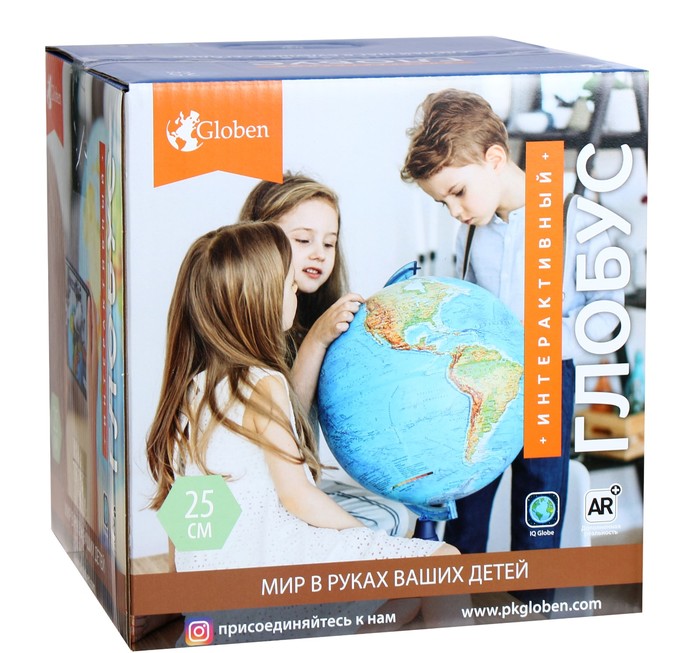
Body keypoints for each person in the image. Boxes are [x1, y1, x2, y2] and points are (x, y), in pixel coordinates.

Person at [146, 222, 457, 570]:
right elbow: (297, 495)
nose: (296, 292)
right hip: (272, 564)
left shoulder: (192, 389)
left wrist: (179, 584)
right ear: (261, 302)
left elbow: (181, 505)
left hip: (212, 572)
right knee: (446, 559)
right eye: (290, 285)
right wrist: (362, 535)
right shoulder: (263, 383)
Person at [400, 88, 623, 556]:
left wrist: (536, 340)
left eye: (457, 193)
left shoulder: (578, 219)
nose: (456, 211)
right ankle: (458, 592)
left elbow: (604, 316)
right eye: (444, 203)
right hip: (482, 382)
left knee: (539, 507)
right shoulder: (470, 232)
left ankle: (534, 595)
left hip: (546, 381)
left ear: (495, 159)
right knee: (467, 504)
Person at [239, 174, 414, 537]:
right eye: (303, 240)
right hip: (259, 499)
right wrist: (315, 342)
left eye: (329, 242)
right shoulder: (245, 333)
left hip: (298, 487)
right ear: (260, 241)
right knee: (380, 527)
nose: (319, 252)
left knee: (397, 513)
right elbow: (291, 426)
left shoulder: (311, 318)